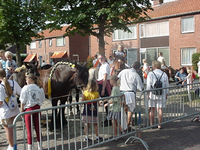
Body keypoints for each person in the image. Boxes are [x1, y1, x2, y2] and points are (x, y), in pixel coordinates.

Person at [19, 73, 45, 150]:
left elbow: (22, 101)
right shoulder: (40, 88)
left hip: (28, 110)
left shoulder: (25, 88)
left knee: (29, 130)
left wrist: (22, 111)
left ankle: (30, 147)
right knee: (38, 129)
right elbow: (42, 100)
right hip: (37, 109)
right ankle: (40, 147)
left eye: (26, 79)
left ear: (30, 80)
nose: (26, 81)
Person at [118, 61, 143, 129]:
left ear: (132, 65)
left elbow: (118, 78)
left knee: (123, 109)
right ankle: (127, 124)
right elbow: (140, 87)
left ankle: (124, 125)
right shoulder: (136, 75)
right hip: (130, 93)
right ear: (138, 69)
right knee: (130, 110)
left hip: (122, 92)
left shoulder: (124, 71)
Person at [0, 68, 21, 150]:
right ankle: (13, 146)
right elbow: (20, 93)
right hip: (15, 110)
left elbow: (0, 102)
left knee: (8, 130)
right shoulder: (14, 83)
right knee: (13, 130)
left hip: (5, 112)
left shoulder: (0, 86)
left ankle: (12, 147)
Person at [146, 60, 169, 129]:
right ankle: (160, 124)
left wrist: (148, 93)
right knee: (160, 109)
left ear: (154, 66)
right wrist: (166, 94)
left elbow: (148, 85)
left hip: (153, 94)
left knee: (152, 109)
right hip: (161, 93)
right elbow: (167, 85)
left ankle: (151, 124)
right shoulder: (164, 74)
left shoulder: (151, 74)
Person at [104, 75, 123, 140]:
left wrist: (107, 103)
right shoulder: (117, 87)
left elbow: (114, 100)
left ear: (112, 81)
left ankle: (115, 135)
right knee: (115, 120)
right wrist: (107, 100)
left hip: (114, 108)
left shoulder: (114, 89)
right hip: (117, 107)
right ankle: (122, 130)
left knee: (113, 122)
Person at [97, 53, 111, 126]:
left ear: (104, 58)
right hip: (101, 83)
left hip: (103, 84)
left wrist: (103, 88)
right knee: (105, 102)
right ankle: (108, 118)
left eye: (101, 58)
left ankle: (109, 119)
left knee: (106, 102)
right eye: (99, 58)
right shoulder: (102, 66)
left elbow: (105, 77)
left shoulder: (105, 66)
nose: (100, 60)